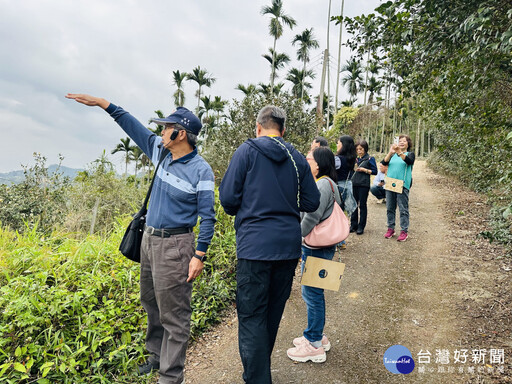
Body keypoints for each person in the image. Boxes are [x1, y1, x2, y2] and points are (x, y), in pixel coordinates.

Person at [66, 94, 216, 384]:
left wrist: (199, 255)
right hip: (149, 240)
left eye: (165, 128)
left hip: (176, 246)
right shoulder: (161, 153)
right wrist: (103, 104)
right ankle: (155, 357)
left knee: (175, 313)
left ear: (180, 133)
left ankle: (170, 377)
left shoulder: (201, 171)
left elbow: (208, 216)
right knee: (151, 302)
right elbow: (132, 126)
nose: (160, 133)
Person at [219, 105, 320, 384]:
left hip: (254, 247)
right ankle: (255, 372)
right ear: (283, 130)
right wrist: (288, 208)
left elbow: (227, 199)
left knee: (252, 317)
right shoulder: (296, 157)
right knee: (271, 315)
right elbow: (312, 202)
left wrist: (251, 206)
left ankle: (256, 377)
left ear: (258, 126)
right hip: (287, 247)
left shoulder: (246, 151)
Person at [286, 146, 342, 363]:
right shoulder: (329, 183)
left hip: (316, 247)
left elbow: (311, 217)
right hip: (323, 246)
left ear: (318, 163)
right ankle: (317, 335)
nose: (305, 160)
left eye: (308, 158)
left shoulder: (321, 184)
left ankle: (314, 344)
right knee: (314, 292)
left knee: (312, 293)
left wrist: (296, 237)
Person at [381, 135, 415, 242]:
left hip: (402, 184)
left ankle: (404, 231)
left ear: (408, 144)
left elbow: (409, 161)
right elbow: (384, 162)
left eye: (404, 141)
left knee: (403, 208)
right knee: (390, 207)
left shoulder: (410, 154)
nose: (401, 142)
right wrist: (391, 152)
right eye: (400, 141)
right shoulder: (393, 155)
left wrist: (399, 152)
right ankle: (391, 228)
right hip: (390, 183)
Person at [350, 140, 377, 235]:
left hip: (364, 185)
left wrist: (365, 170)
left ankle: (361, 226)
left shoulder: (370, 159)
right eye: (357, 149)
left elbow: (375, 171)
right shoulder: (355, 159)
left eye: (361, 149)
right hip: (354, 184)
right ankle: (353, 225)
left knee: (362, 205)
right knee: (353, 205)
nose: (359, 151)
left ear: (365, 149)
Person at [335, 135, 357, 217]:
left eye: (338, 143)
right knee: (343, 211)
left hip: (339, 187)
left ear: (343, 145)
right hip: (347, 186)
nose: (337, 145)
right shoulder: (352, 158)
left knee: (337, 211)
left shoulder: (338, 159)